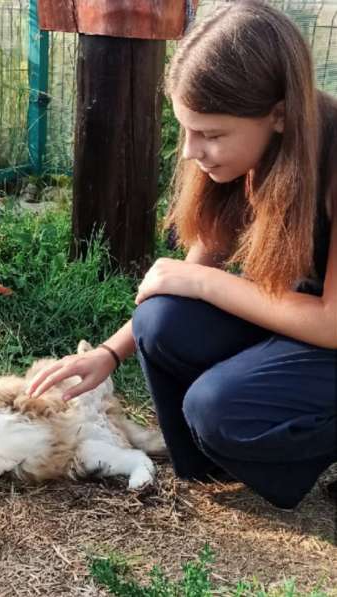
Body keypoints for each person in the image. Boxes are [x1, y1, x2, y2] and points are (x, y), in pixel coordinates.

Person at [28, 0, 337, 510]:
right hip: (300, 322)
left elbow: (330, 323)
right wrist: (107, 354)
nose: (191, 151)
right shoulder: (254, 156)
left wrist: (202, 284)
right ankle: (213, 459)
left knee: (217, 406)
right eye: (186, 129)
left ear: (278, 115)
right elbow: (192, 270)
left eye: (211, 135)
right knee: (161, 317)